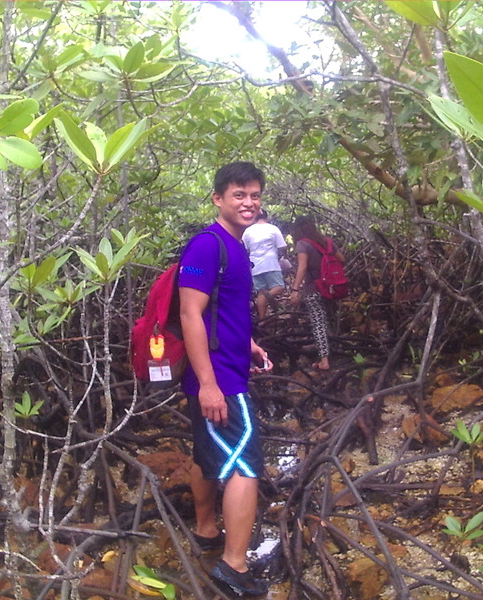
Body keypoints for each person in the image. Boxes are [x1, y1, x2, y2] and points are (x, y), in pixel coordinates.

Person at [178, 161, 271, 596]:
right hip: (219, 382)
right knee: (247, 465)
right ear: (218, 198)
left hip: (227, 369)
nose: (248, 202)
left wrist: (248, 344)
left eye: (254, 195)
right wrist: (210, 385)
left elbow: (223, 310)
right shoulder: (206, 245)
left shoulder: (236, 246)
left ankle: (205, 529)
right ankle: (233, 568)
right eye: (239, 195)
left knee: (207, 453)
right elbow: (190, 314)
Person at [289, 215, 344, 372]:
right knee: (329, 318)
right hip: (331, 287)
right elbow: (342, 258)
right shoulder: (326, 241)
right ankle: (333, 350)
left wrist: (295, 289)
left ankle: (324, 361)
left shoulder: (302, 244)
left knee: (318, 322)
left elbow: (302, 267)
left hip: (314, 289)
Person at [242, 209, 288, 320]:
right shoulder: (272, 229)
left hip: (255, 266)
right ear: (266, 217)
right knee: (279, 287)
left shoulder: (248, 231)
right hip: (270, 263)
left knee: (261, 292)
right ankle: (269, 298)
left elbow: (243, 248)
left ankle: (262, 319)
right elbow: (282, 247)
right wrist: (284, 256)